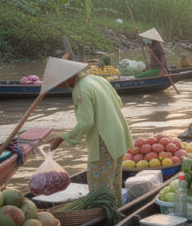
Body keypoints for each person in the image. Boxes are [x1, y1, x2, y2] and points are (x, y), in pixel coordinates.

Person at [47, 58, 132, 206]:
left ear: (68, 78)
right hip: (118, 135)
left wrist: (62, 138)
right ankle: (117, 211)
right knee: (113, 182)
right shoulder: (98, 79)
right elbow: (118, 102)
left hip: (104, 140)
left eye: (58, 83)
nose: (59, 87)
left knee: (99, 187)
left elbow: (86, 122)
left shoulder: (81, 90)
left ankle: (105, 215)